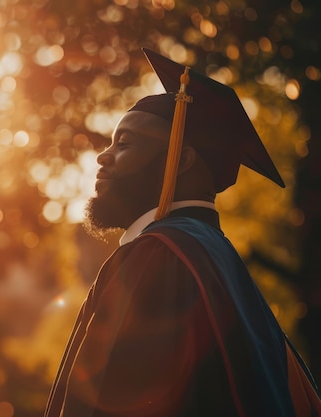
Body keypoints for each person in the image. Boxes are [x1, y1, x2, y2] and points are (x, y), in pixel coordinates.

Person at [44, 49, 321, 417]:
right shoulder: (219, 262)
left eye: (124, 143)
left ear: (183, 159)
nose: (102, 157)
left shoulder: (160, 254)